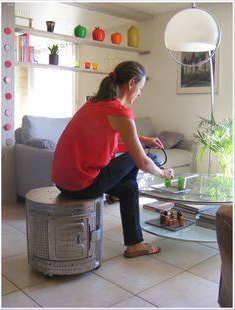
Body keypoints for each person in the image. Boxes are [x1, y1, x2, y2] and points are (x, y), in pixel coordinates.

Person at [51, 60, 174, 258]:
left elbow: (108, 140)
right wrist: (162, 173)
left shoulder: (94, 103)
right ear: (131, 84)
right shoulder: (119, 111)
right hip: (83, 184)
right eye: (140, 88)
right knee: (141, 157)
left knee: (129, 189)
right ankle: (133, 240)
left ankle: (134, 242)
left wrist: (141, 138)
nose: (140, 93)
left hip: (63, 182)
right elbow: (141, 161)